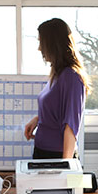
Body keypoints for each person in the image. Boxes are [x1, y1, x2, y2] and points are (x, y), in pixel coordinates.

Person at [24, 18, 88, 159]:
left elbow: (71, 125)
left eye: (42, 42)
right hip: (43, 151)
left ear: (53, 44)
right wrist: (38, 119)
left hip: (56, 156)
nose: (39, 48)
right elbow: (57, 109)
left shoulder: (71, 76)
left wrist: (65, 167)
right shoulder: (58, 75)